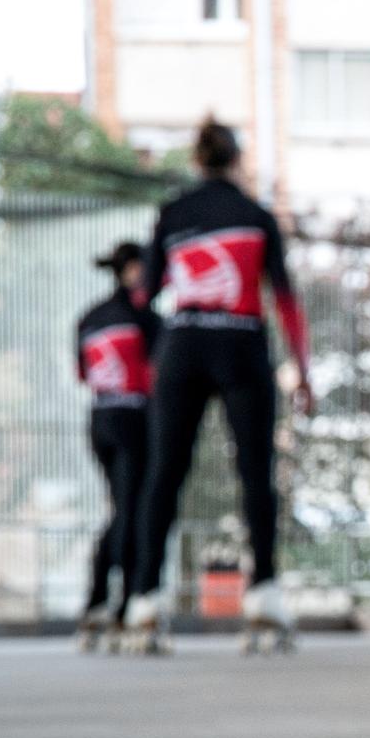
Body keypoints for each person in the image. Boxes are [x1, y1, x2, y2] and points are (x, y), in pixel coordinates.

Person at [122, 119, 314, 653]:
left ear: (197, 161)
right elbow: (286, 300)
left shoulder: (173, 214)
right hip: (241, 346)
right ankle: (266, 596)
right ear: (237, 160)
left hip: (181, 346)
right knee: (255, 472)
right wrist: (303, 371)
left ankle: (144, 599)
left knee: (164, 474)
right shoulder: (256, 217)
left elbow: (144, 296)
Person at [73, 240, 160, 649]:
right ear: (133, 271)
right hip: (134, 419)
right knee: (134, 513)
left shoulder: (89, 318)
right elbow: (160, 376)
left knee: (121, 510)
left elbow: (82, 374)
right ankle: (124, 608)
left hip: (99, 420)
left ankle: (96, 604)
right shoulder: (145, 319)